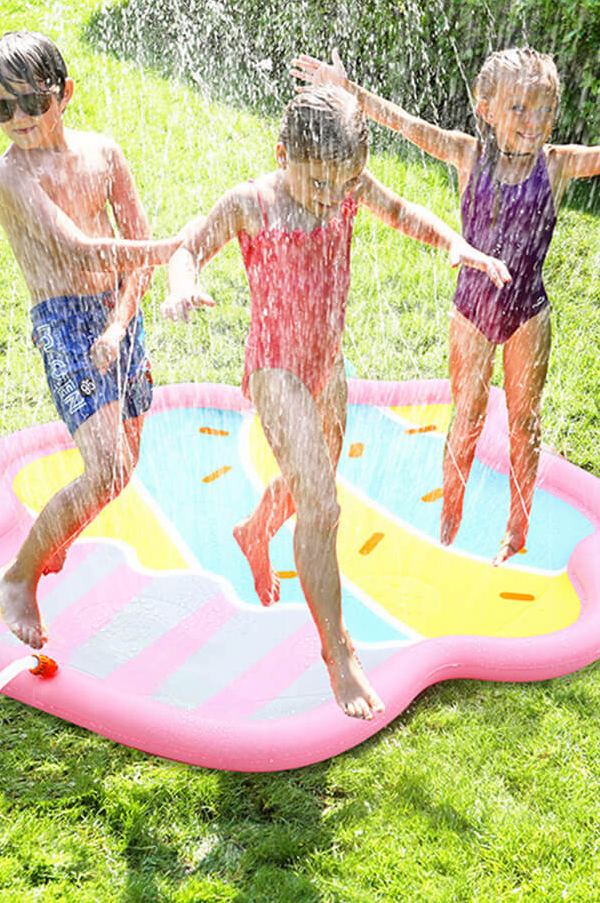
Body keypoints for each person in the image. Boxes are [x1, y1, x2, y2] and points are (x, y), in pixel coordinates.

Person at [292, 48, 600, 565]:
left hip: (528, 314)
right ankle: (450, 511)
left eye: (545, 111)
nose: (534, 123)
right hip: (471, 311)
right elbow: (406, 124)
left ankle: (517, 530)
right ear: (486, 107)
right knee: (466, 416)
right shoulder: (467, 155)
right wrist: (347, 90)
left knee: (524, 423)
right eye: (520, 109)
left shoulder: (557, 166)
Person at [161, 85, 511, 720]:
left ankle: (255, 530)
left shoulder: (348, 185)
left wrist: (454, 244)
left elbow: (402, 209)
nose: (329, 196)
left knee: (308, 486)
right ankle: (337, 651)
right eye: (316, 181)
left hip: (328, 367)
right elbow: (188, 248)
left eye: (342, 182)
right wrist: (183, 284)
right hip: (276, 370)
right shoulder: (252, 203)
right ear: (282, 153)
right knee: (322, 505)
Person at [0, 30, 182, 648]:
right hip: (65, 324)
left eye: (30, 103)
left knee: (125, 470)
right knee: (107, 468)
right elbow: (78, 245)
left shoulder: (104, 154)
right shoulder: (12, 177)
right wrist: (176, 248)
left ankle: (55, 541)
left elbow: (133, 256)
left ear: (64, 94)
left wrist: (123, 321)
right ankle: (17, 577)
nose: (17, 119)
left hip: (120, 314)